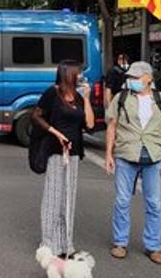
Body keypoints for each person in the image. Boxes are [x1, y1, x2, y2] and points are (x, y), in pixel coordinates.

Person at [105, 61, 161, 266]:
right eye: (130, 78)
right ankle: (120, 243)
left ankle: (153, 246)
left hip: (154, 156)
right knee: (122, 201)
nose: (132, 81)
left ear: (148, 78)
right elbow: (112, 126)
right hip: (126, 154)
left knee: (154, 203)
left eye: (136, 78)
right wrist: (109, 155)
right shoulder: (122, 98)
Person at [32, 60, 96, 258]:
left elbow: (90, 125)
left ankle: (65, 243)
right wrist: (56, 133)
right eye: (78, 73)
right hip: (55, 151)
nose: (81, 76)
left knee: (69, 198)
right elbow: (36, 116)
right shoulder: (53, 93)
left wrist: (86, 99)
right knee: (53, 197)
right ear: (68, 74)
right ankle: (48, 243)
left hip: (74, 152)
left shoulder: (77, 97)